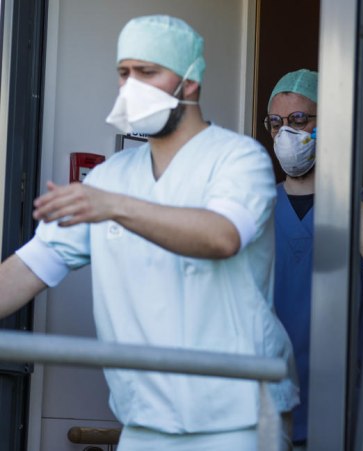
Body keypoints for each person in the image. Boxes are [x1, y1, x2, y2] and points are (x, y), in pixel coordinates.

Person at [0, 15, 298, 450]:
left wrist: (115, 207)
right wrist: (107, 200)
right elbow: (30, 267)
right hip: (145, 420)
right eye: (124, 73)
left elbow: (222, 236)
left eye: (148, 72)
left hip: (238, 417)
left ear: (190, 82)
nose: (131, 86)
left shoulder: (238, 159)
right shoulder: (110, 177)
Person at [265, 68, 363, 449]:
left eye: (299, 119)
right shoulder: (257, 208)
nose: (286, 132)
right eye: (276, 123)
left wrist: (338, 179)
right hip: (268, 418)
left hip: (342, 422)